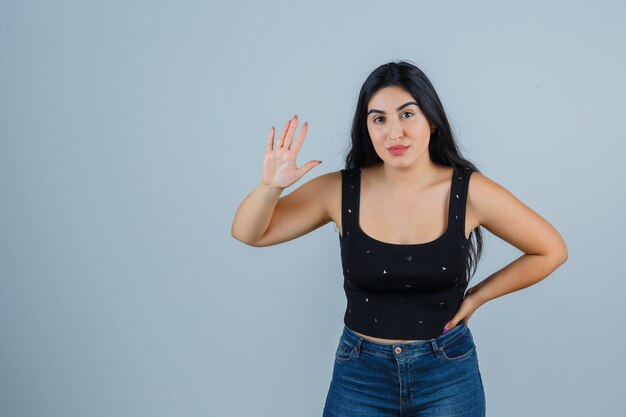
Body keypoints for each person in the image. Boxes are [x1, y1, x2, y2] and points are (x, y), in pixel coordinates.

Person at [231, 60, 568, 416]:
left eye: (407, 114)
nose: (394, 133)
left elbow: (551, 250)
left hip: (447, 374)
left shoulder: (469, 192)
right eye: (379, 119)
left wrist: (477, 297)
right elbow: (250, 233)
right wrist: (270, 187)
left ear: (432, 120)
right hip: (360, 375)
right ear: (366, 128)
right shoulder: (339, 190)